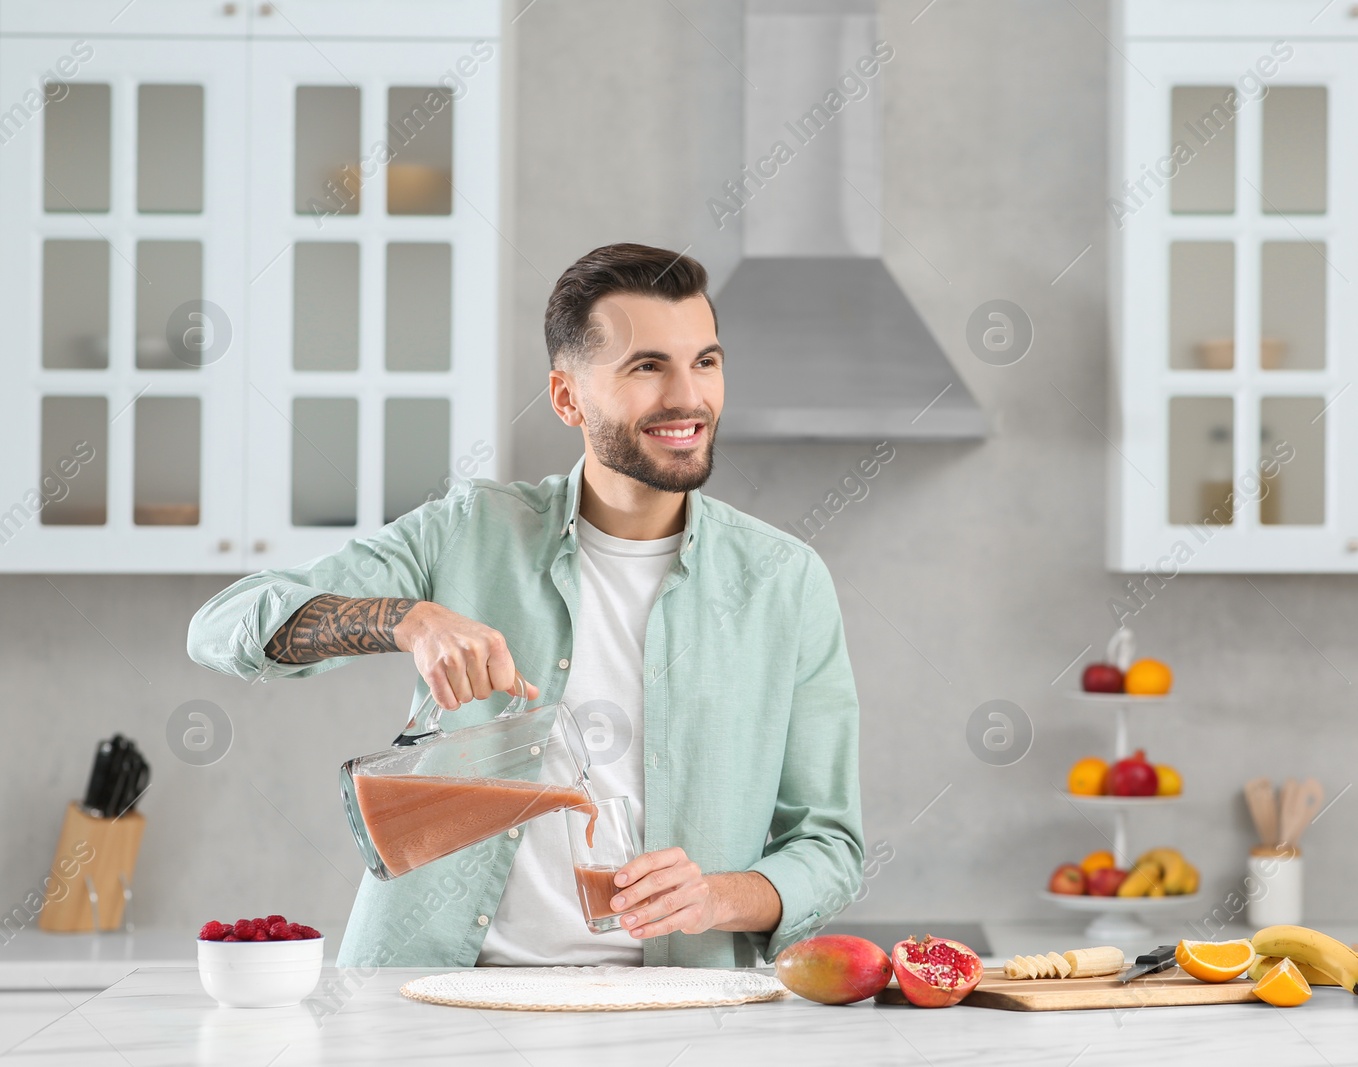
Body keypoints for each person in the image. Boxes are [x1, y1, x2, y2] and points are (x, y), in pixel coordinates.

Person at [187, 243, 865, 969]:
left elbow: (830, 845)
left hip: (672, 1010)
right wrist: (406, 619)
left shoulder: (784, 581)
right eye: (647, 366)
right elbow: (225, 625)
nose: (689, 397)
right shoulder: (469, 530)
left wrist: (715, 896)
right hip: (434, 999)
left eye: (705, 361)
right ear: (568, 396)